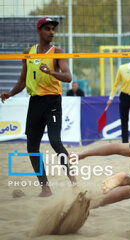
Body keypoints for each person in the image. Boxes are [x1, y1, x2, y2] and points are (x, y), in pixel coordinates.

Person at [0, 17, 76, 197]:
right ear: (39, 31)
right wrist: (10, 94)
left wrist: (50, 72)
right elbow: (22, 80)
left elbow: (68, 77)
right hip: (35, 103)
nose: (51, 32)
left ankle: (74, 183)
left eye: (53, 29)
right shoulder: (28, 52)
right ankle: (45, 188)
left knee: (55, 142)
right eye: (47, 29)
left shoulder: (57, 52)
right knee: (32, 147)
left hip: (52, 102)